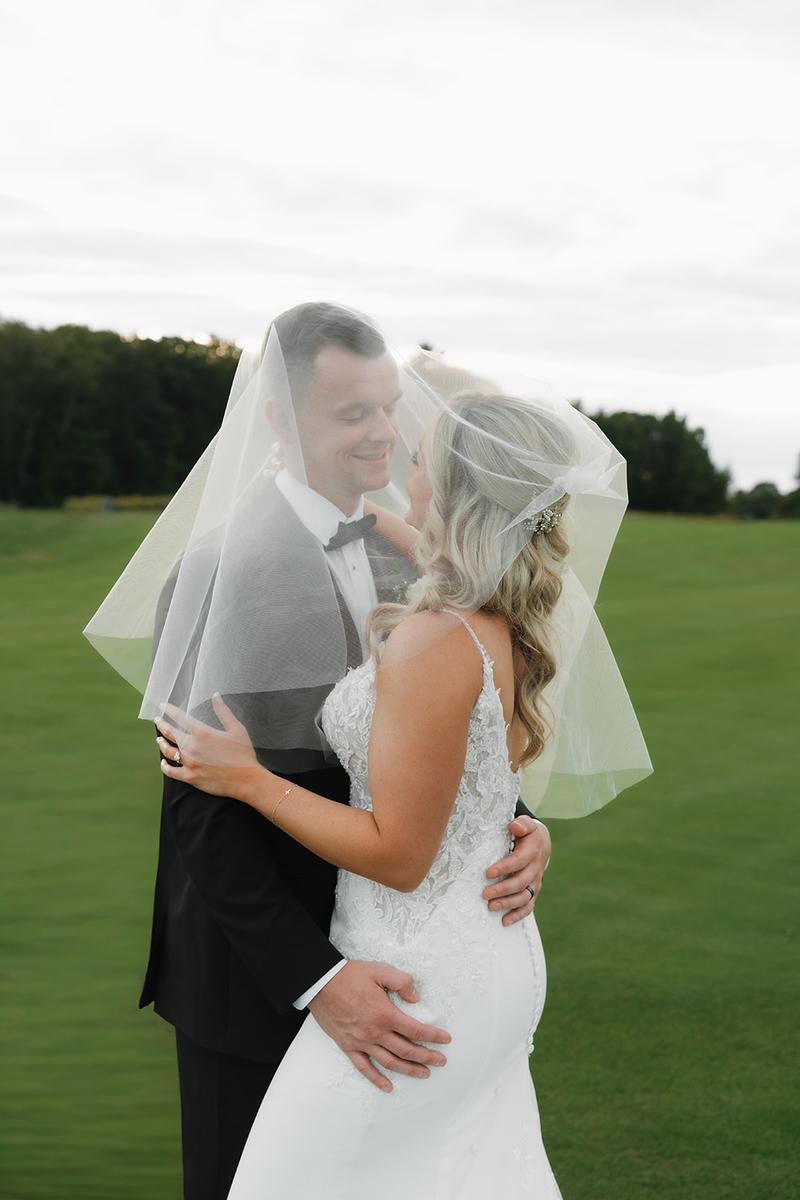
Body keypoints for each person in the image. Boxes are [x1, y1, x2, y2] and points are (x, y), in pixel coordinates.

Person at [86, 304, 552, 1200]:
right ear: (278, 418)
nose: (384, 434)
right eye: (353, 415)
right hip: (261, 987)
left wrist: (514, 825)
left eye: (388, 407)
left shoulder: (417, 559)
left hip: (407, 959)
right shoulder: (222, 573)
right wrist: (319, 982)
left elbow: (447, 733)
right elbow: (199, 806)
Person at [154, 383, 650, 1197]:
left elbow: (401, 853)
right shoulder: (495, 604)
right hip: (483, 951)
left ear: (452, 489)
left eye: (420, 455)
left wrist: (246, 779)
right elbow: (471, 769)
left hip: (417, 976)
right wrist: (516, 826)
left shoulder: (432, 637)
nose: (399, 456)